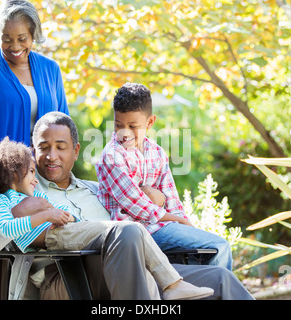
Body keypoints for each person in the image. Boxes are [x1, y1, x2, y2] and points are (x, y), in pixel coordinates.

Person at [0, 111, 254, 300]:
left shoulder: (99, 191)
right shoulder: (20, 196)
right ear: (32, 150)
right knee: (125, 232)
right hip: (71, 280)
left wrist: (154, 198)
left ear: (75, 151)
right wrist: (20, 212)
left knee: (220, 279)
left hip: (131, 270)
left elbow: (135, 203)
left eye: (61, 147)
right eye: (43, 147)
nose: (52, 156)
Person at [95, 82, 232, 270]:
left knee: (204, 253)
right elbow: (136, 205)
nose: (125, 133)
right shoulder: (112, 156)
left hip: (162, 226)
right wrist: (174, 218)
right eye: (119, 125)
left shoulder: (157, 152)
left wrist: (184, 223)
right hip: (137, 232)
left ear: (150, 122)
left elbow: (171, 198)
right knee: (218, 246)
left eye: (133, 126)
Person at [0, 0, 69, 231]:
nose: (14, 46)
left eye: (22, 38)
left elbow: (63, 122)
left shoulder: (51, 69)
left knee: (48, 245)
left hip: (41, 174)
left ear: (33, 35)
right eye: (6, 38)